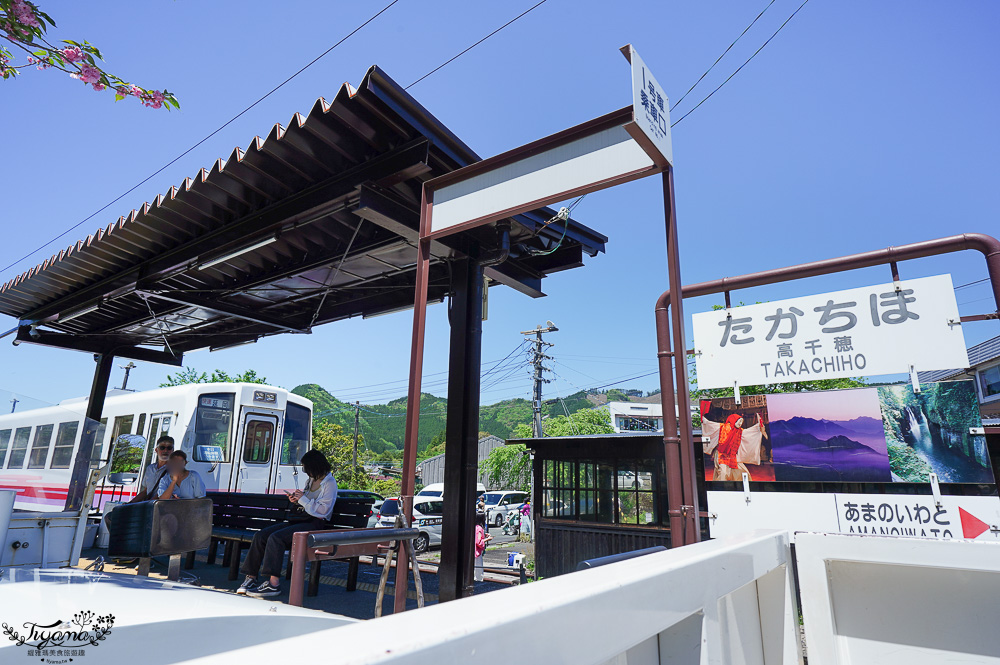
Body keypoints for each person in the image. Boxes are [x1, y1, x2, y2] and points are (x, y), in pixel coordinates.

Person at [238, 449, 338, 598]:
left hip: (315, 524)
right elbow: (305, 502)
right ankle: (251, 577)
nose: (305, 471)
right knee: (260, 535)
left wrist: (303, 499)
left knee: (276, 538)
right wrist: (296, 499)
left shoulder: (329, 484)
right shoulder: (310, 481)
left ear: (315, 466)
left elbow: (323, 511)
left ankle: (273, 584)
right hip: (300, 519)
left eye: (306, 468)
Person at [130, 435, 174, 503]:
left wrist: (148, 504)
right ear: (156, 450)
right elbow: (145, 492)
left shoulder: (174, 470)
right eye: (162, 448)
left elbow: (163, 493)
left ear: (172, 451)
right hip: (149, 506)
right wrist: (130, 503)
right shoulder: (150, 468)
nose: (165, 450)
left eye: (169, 448)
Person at [473, 511, 493, 582]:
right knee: (478, 570)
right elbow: (478, 542)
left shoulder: (474, 527)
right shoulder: (479, 529)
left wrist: (484, 535)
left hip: (472, 551)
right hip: (477, 552)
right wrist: (487, 539)